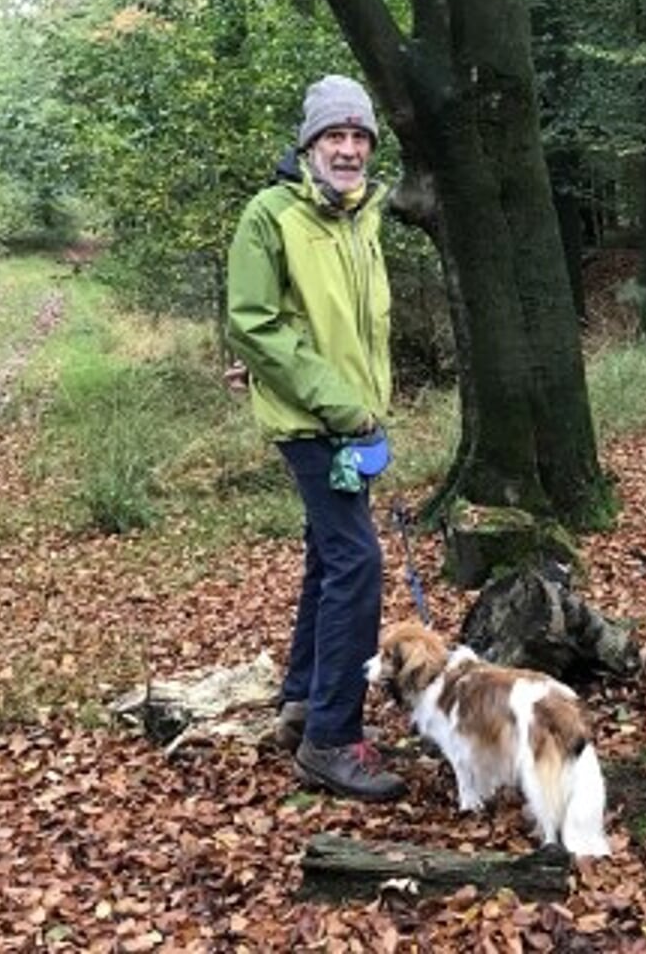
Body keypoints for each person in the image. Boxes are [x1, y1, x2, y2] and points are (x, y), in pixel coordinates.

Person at [225, 75, 405, 802]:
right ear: (308, 144)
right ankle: (332, 738)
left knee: (329, 560)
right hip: (314, 421)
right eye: (336, 135)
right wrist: (339, 405)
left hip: (353, 421)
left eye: (360, 136)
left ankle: (303, 703)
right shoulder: (271, 216)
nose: (349, 148)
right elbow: (253, 321)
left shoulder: (363, 217)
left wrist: (366, 406)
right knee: (358, 564)